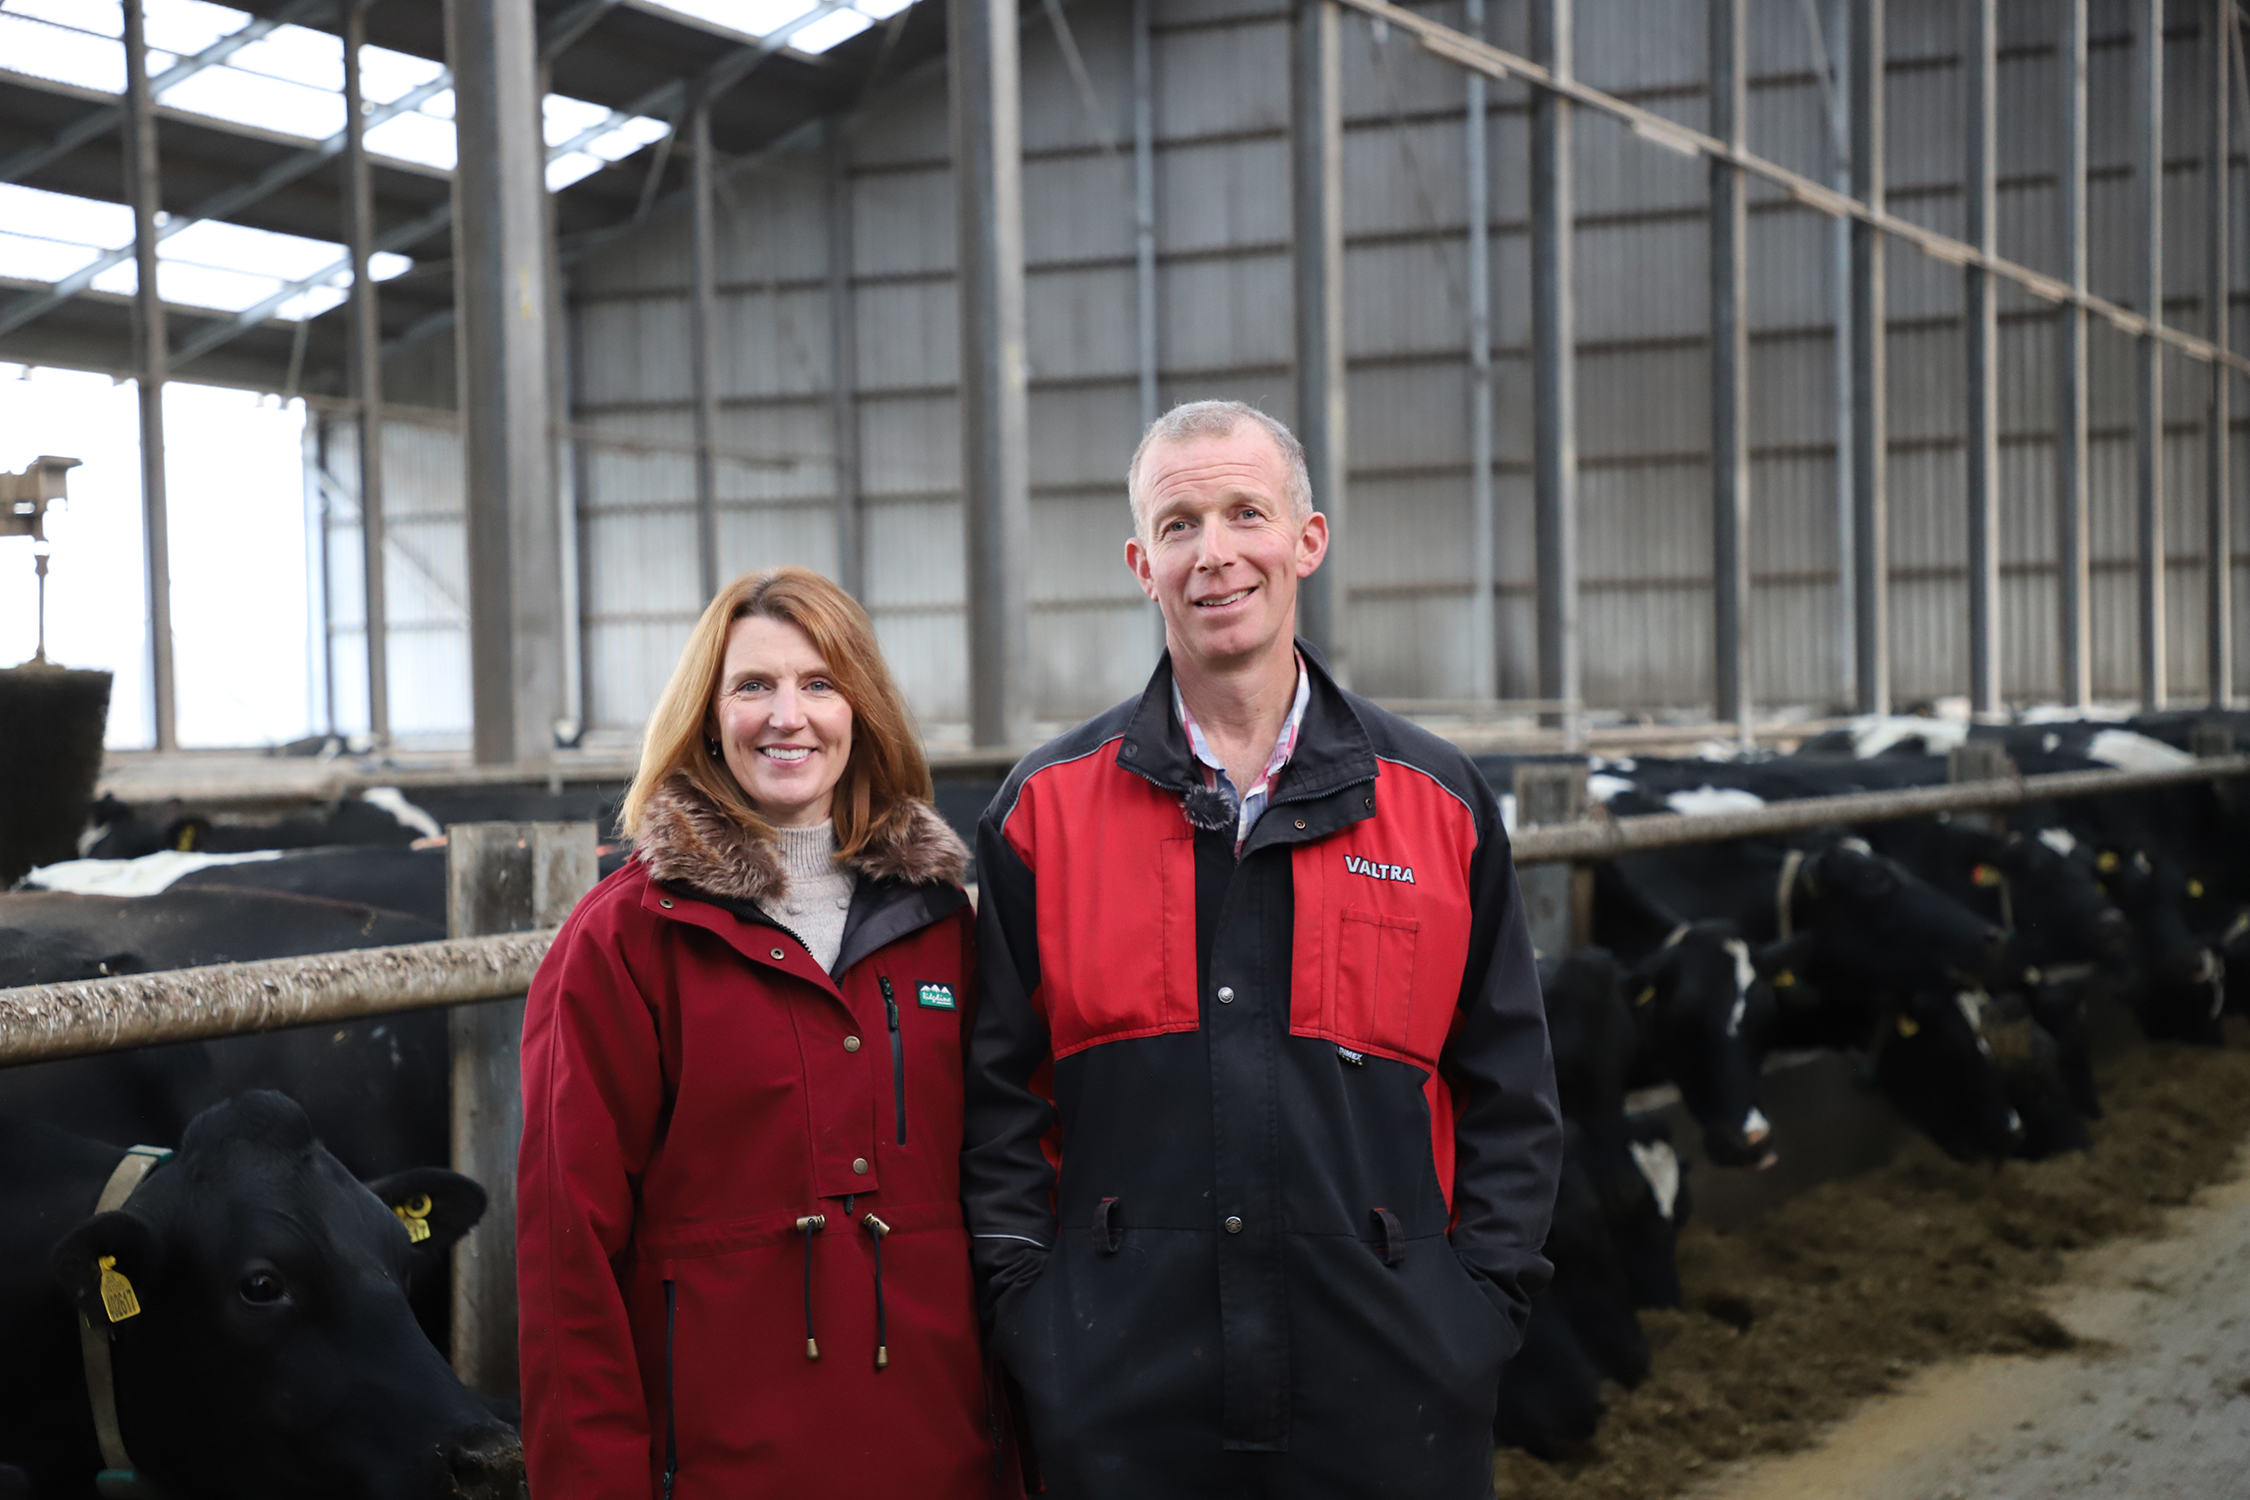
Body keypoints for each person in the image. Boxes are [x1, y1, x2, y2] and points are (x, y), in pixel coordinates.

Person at [962, 401, 1563, 1498]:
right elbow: (1001, 1103)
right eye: (1180, 524)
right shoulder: (1041, 812)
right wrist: (1037, 1320)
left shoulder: (1437, 803)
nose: (1216, 553)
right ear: (1143, 564)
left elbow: (1512, 1090)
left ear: (1308, 540)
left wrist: (1474, 1307)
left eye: (1247, 513)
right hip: (1121, 1396)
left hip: (1393, 1390)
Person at [518, 566, 1010, 1499]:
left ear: (860, 710)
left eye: (820, 684)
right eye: (753, 686)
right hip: (718, 1465)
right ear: (707, 716)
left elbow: (1010, 1189)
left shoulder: (945, 924)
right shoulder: (626, 939)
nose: (790, 716)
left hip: (938, 1455)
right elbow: (564, 1259)